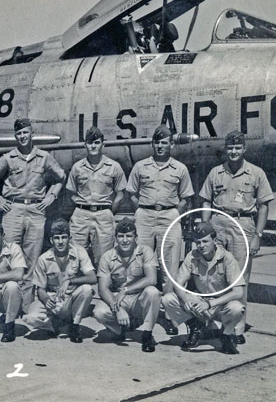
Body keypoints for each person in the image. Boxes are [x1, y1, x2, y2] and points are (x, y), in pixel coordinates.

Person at [200, 130, 272, 344]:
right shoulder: (215, 173)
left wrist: (258, 235)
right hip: (218, 224)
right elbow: (205, 200)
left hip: (244, 225)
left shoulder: (256, 173)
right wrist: (205, 226)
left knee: (240, 278)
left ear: (244, 149)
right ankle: (211, 322)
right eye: (230, 148)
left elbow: (264, 206)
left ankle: (236, 329)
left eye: (237, 148)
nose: (233, 152)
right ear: (225, 149)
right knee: (212, 275)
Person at [0, 118, 66, 310]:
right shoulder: (8, 158)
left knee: (32, 258)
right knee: (10, 256)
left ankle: (25, 305)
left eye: (26, 133)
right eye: (19, 134)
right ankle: (8, 302)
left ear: (32, 133)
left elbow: (61, 177)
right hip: (13, 210)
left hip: (36, 211)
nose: (23, 137)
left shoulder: (44, 157)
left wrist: (51, 196)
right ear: (15, 136)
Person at [126, 124, 194, 335]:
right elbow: (131, 193)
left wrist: (174, 212)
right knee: (139, 265)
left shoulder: (180, 169)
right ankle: (139, 312)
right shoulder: (140, 166)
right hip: (145, 216)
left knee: (169, 268)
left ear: (171, 144)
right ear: (152, 144)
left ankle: (167, 316)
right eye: (157, 142)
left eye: (164, 142)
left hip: (169, 216)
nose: (160, 146)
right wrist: (142, 210)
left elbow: (186, 197)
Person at [161, 222, 245, 354]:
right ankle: (195, 326)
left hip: (219, 304)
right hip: (199, 302)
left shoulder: (227, 258)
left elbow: (238, 291)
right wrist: (186, 299)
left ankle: (226, 335)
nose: (201, 246)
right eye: (198, 242)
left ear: (215, 240)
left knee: (237, 307)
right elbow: (177, 283)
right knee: (168, 299)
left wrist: (210, 303)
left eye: (205, 241)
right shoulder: (192, 256)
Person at [23, 219, 96, 343]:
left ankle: (74, 326)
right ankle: (52, 326)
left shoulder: (79, 252)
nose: (61, 242)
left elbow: (92, 277)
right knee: (31, 318)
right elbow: (40, 289)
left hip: (71, 298)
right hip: (52, 298)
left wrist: (70, 281)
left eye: (64, 237)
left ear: (69, 238)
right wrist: (46, 299)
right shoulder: (44, 258)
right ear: (51, 240)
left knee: (87, 290)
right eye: (57, 238)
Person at [93, 218, 160, 352]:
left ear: (136, 237)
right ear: (115, 238)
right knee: (99, 312)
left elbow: (152, 279)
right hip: (117, 298)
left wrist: (126, 290)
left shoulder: (145, 251)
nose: (125, 240)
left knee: (153, 292)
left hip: (138, 298)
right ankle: (120, 329)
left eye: (129, 236)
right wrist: (117, 309)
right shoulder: (107, 256)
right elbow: (103, 289)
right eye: (121, 236)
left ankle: (147, 333)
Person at [66, 126, 127, 266]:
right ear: (85, 144)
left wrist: (109, 211)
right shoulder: (77, 167)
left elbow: (120, 194)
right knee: (75, 256)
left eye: (97, 142)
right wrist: (81, 206)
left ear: (103, 144)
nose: (93, 146)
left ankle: (102, 287)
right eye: (90, 142)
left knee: (104, 257)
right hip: (81, 216)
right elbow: (71, 193)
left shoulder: (114, 167)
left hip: (103, 215)